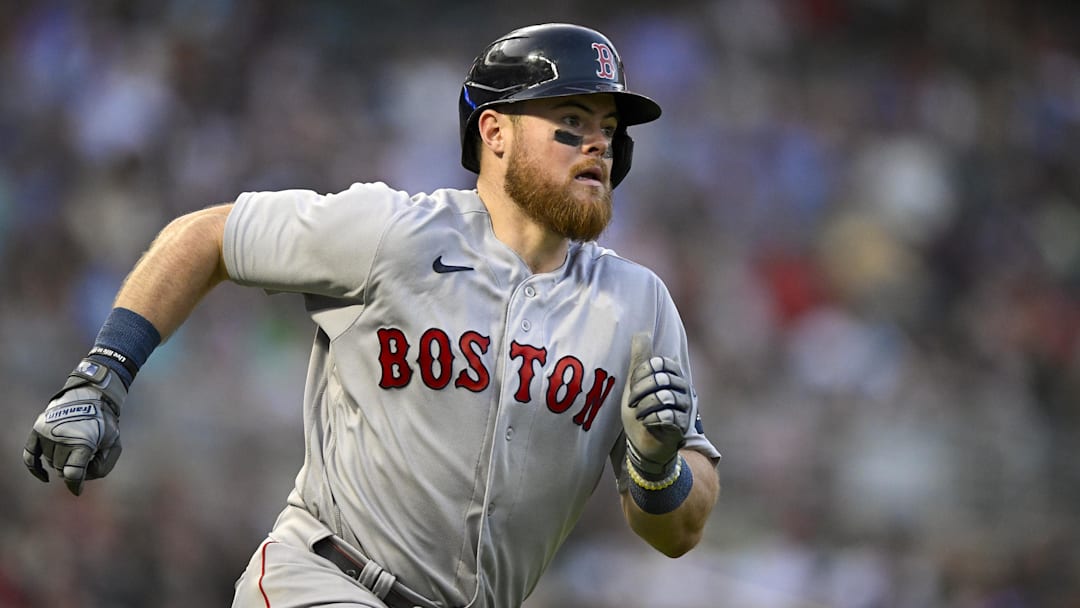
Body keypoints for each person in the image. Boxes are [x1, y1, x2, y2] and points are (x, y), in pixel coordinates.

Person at [22, 23, 721, 608]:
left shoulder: (636, 303)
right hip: (324, 579)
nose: (599, 143)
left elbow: (679, 532)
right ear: (495, 132)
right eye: (570, 124)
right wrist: (101, 375)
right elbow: (209, 236)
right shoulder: (396, 232)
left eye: (608, 128)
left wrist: (656, 470)